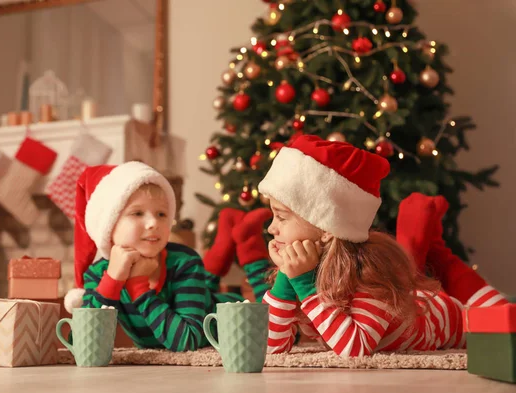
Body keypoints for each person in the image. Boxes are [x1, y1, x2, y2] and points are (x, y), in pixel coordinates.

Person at [257, 135, 507, 357]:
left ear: (325, 229)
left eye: (281, 216)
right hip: (414, 306)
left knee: (502, 321)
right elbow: (271, 348)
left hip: (447, 319)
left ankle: (434, 247)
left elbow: (355, 348)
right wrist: (285, 280)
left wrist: (302, 282)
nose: (271, 228)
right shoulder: (304, 269)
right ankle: (429, 243)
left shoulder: (370, 274)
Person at [63, 162, 271, 352]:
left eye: (162, 214)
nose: (154, 223)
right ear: (108, 227)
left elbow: (188, 341)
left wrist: (137, 286)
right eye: (137, 213)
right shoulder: (99, 274)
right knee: (206, 285)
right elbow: (81, 347)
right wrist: (113, 280)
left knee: (275, 325)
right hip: (197, 295)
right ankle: (224, 243)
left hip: (228, 317)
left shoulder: (184, 261)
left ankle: (251, 250)